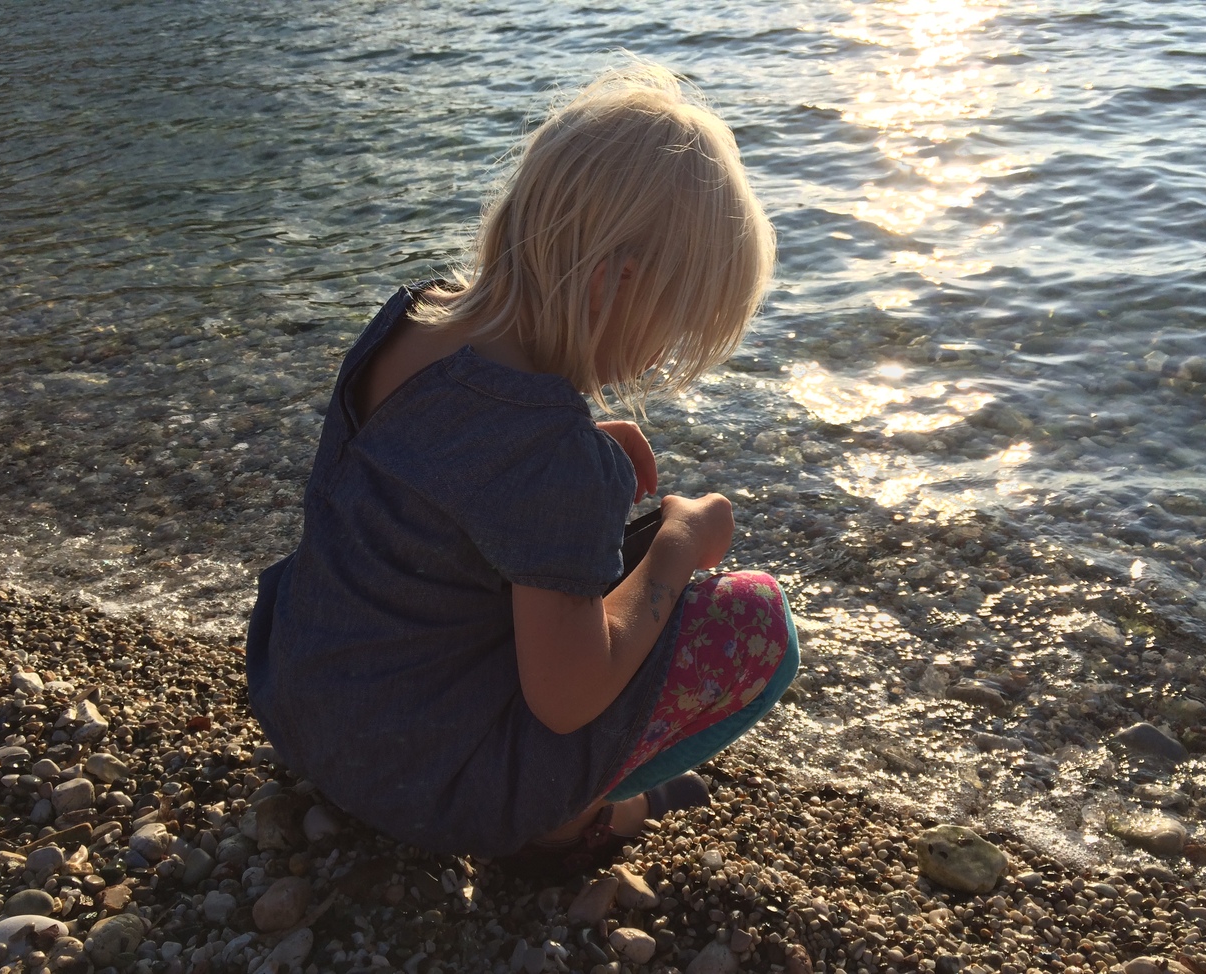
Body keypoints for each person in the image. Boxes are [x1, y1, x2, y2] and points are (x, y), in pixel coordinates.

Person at [246, 61, 799, 876]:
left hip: (305, 705)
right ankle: (561, 820)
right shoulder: (549, 457)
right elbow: (568, 693)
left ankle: (535, 790)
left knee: (585, 562)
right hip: (425, 786)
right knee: (758, 624)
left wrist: (585, 466)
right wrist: (678, 543)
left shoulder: (413, 319)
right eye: (671, 329)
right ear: (617, 285)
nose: (659, 359)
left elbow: (438, 473)